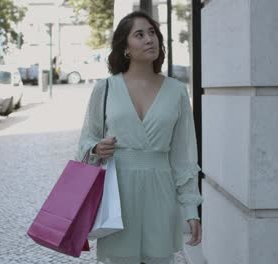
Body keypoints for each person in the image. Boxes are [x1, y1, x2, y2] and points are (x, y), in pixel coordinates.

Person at [76, 11, 203, 264]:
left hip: (161, 194)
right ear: (126, 47)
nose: (150, 39)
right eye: (140, 34)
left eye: (153, 32)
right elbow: (85, 142)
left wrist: (191, 208)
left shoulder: (177, 92)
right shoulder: (106, 88)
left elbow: (183, 155)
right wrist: (96, 148)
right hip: (117, 195)